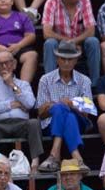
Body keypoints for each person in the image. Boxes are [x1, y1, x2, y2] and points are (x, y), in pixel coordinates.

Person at [35, 41, 93, 172]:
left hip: (79, 123)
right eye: (63, 59)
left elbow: (86, 113)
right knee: (64, 112)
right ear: (57, 59)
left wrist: (71, 104)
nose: (66, 62)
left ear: (76, 60)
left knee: (69, 113)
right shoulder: (45, 79)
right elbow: (41, 113)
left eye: (70, 59)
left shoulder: (84, 80)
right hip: (50, 124)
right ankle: (77, 158)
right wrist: (59, 106)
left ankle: (54, 155)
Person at [0, 49, 43, 162]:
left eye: (8, 62)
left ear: (14, 64)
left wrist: (12, 84)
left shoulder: (23, 84)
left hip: (21, 124)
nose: (5, 66)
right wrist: (13, 104)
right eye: (0, 64)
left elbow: (30, 104)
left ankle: (35, 161)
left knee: (34, 123)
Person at [41, 0, 101, 83]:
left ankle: (95, 84)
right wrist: (67, 41)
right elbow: (47, 33)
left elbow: (90, 30)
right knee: (49, 43)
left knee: (93, 41)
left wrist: (74, 42)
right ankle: (49, 83)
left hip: (80, 42)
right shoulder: (51, 3)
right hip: (60, 44)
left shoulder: (85, 1)